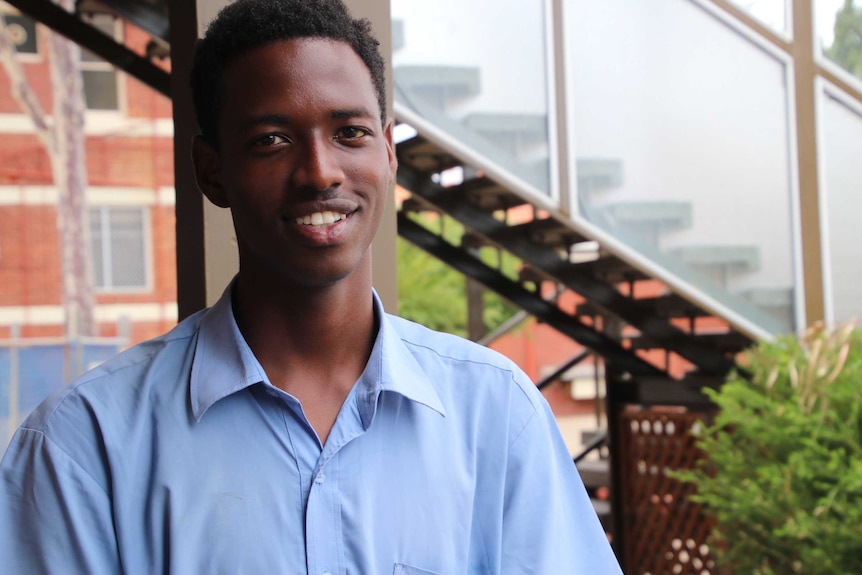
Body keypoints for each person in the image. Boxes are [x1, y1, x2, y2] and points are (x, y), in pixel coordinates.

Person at [0, 0, 623, 573]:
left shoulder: (497, 414)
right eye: (271, 140)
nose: (320, 172)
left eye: (350, 132)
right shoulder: (85, 445)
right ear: (211, 171)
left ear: (387, 153)